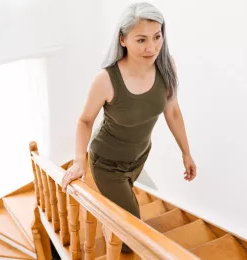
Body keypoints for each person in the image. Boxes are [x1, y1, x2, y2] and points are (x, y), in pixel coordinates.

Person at [62, 1, 197, 254]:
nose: (152, 47)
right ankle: (110, 224)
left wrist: (186, 152)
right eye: (142, 40)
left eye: (157, 37)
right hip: (107, 162)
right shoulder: (106, 79)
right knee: (130, 236)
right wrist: (79, 161)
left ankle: (111, 216)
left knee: (124, 212)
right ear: (123, 39)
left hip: (139, 156)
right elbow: (85, 121)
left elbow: (173, 111)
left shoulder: (167, 67)